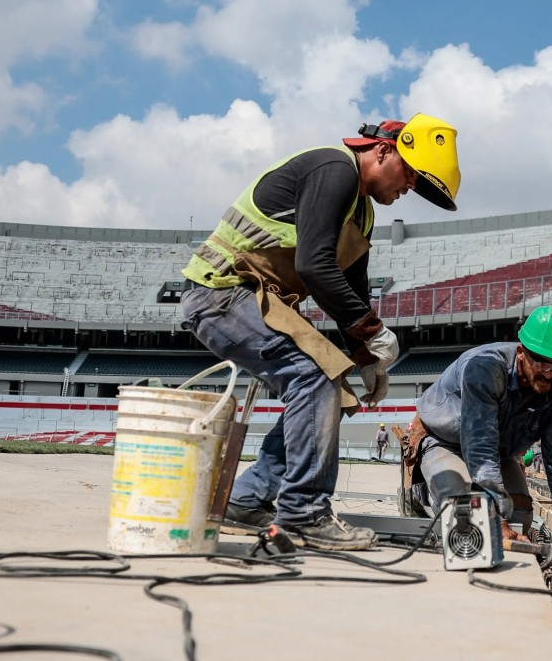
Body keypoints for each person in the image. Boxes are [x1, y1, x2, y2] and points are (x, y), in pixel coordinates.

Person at [180, 114, 460, 550]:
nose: (409, 187)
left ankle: (247, 499)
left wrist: (366, 357)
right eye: (410, 173)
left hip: (255, 297)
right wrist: (373, 329)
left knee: (330, 388)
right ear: (383, 150)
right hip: (222, 292)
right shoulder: (334, 170)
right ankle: (304, 511)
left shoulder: (361, 212)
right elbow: (314, 265)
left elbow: (351, 289)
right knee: (314, 380)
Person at [406, 306, 552, 549]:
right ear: (521, 353)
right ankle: (423, 494)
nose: (549, 374)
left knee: (520, 516)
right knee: (468, 514)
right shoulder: (484, 368)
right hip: (446, 441)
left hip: (498, 451)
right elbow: (480, 448)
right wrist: (496, 520)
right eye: (542, 364)